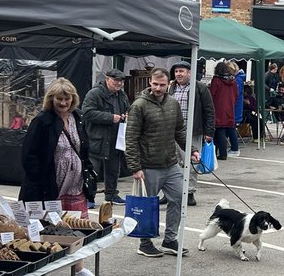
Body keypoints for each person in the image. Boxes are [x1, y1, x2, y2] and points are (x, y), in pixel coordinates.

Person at [19, 77, 96, 276]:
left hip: (75, 184)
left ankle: (79, 268)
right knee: (46, 227)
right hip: (50, 186)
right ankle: (40, 269)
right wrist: (40, 181)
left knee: (77, 226)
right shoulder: (42, 121)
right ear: (51, 99)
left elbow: (83, 148)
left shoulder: (76, 118)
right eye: (59, 99)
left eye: (67, 98)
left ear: (74, 99)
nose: (63, 103)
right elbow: (29, 156)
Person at [126, 67, 200, 258]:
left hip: (170, 163)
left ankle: (170, 240)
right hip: (148, 165)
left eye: (162, 85)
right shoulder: (139, 105)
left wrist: (191, 150)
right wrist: (135, 167)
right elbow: (131, 137)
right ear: (150, 83)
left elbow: (180, 131)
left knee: (179, 198)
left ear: (169, 84)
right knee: (147, 206)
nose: (158, 88)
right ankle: (144, 243)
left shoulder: (173, 103)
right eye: (155, 84)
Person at [80, 68, 129, 205]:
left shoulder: (122, 95)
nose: (119, 84)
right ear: (107, 79)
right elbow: (87, 112)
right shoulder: (94, 93)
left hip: (115, 138)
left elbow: (128, 108)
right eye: (116, 80)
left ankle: (111, 195)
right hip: (96, 138)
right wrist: (109, 117)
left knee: (113, 170)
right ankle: (88, 197)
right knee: (92, 171)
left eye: (121, 81)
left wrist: (125, 115)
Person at [170, 60, 215, 206]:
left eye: (181, 71)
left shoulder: (200, 87)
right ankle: (171, 192)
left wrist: (209, 132)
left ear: (189, 73)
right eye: (177, 71)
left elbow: (209, 110)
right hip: (171, 131)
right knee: (171, 163)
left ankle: (189, 192)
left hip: (192, 131)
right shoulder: (171, 87)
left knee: (192, 163)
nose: (178, 74)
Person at [209, 62, 241, 161]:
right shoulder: (233, 80)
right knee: (225, 130)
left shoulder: (216, 80)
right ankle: (224, 153)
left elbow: (212, 94)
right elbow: (236, 95)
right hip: (229, 108)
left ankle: (217, 153)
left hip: (218, 107)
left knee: (217, 131)